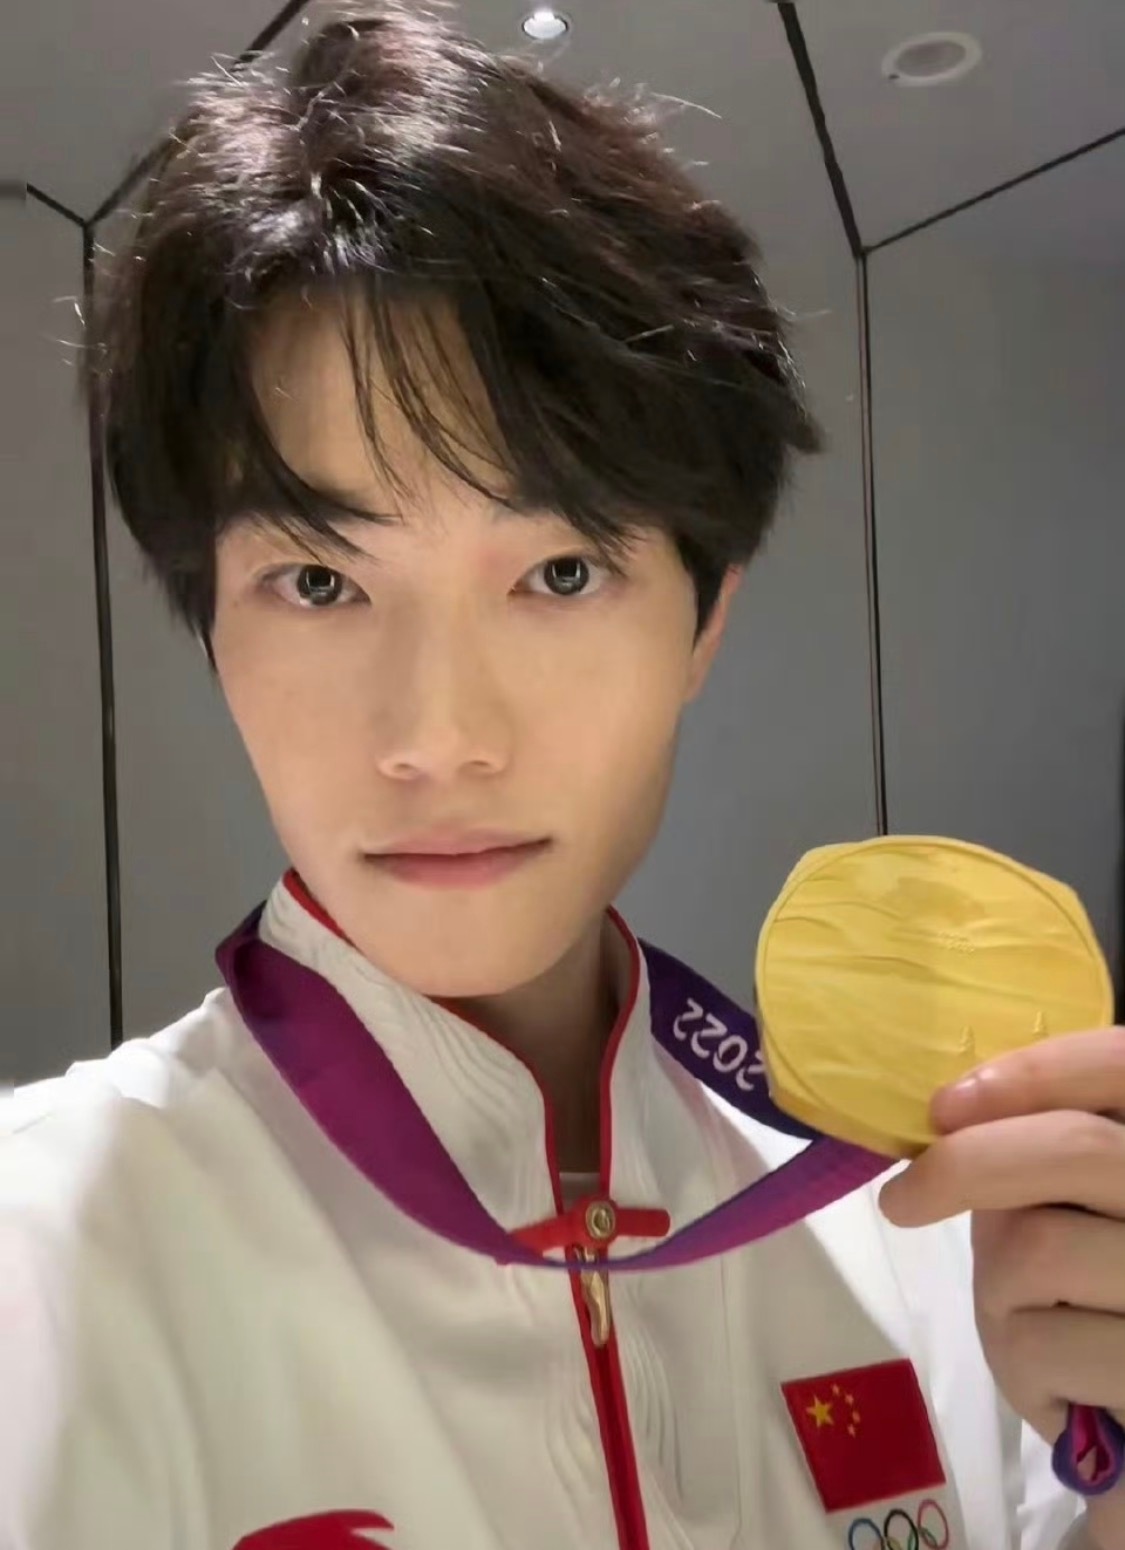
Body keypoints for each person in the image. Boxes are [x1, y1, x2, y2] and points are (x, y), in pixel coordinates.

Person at [3, 5, 1123, 1547]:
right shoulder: (37, 1262)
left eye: (559, 571)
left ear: (701, 622)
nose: (438, 734)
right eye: (320, 582)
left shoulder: (931, 1223)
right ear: (213, 629)